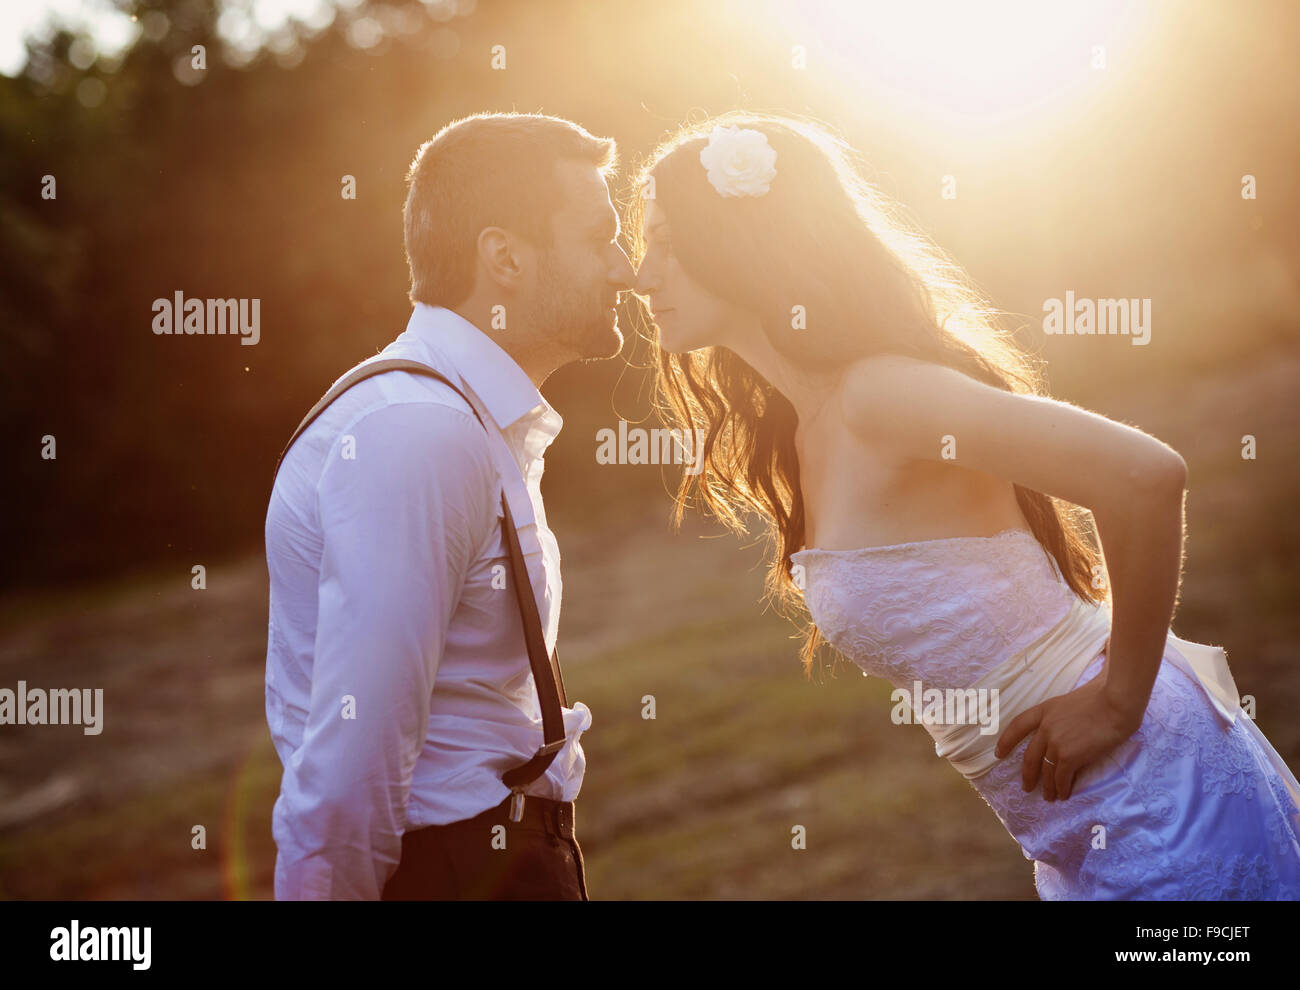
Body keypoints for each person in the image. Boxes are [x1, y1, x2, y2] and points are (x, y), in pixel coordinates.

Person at [625, 110, 1300, 898]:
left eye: (666, 243)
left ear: (740, 241)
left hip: (1155, 793)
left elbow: (1144, 476)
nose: (643, 276)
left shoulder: (880, 394)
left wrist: (1119, 700)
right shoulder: (804, 427)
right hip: (1076, 827)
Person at [264, 112, 635, 899]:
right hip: (450, 873)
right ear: (504, 256)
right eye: (599, 236)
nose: (625, 267)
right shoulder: (418, 432)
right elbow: (353, 764)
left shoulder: (460, 414)